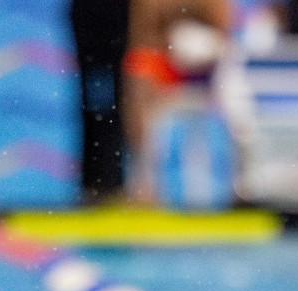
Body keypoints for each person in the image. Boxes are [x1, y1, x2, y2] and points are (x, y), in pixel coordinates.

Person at [122, 0, 233, 203]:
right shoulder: (150, 5)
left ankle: (238, 184)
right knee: (139, 65)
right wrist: (172, 48)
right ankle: (146, 185)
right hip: (165, 67)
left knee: (233, 79)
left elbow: (225, 35)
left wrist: (201, 49)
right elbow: (141, 39)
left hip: (206, 75)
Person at [70, 0, 131, 203]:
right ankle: (95, 183)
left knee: (114, 108)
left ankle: (111, 183)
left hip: (114, 23)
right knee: (94, 109)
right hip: (92, 24)